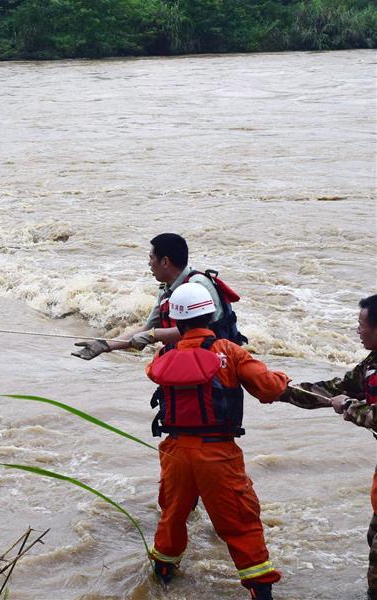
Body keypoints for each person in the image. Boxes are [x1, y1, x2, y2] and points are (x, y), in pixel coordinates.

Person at [144, 282, 287, 600]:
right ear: (211, 315)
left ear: (175, 320)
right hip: (217, 453)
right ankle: (261, 590)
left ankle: (163, 574)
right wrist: (284, 379)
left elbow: (154, 371)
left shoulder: (163, 356)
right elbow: (269, 388)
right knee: (240, 521)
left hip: (175, 451)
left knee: (172, 515)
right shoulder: (229, 352)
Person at [278, 293, 377, 598]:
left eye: (361, 324)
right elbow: (334, 389)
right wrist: (280, 389)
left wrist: (350, 406)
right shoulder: (371, 365)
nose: (357, 330)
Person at [73, 232, 245, 360]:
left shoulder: (198, 287)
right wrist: (104, 345)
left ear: (165, 261)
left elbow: (199, 332)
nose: (149, 263)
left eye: (151, 257)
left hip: (216, 361)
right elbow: (147, 330)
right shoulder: (166, 289)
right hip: (186, 359)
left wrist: (153, 336)